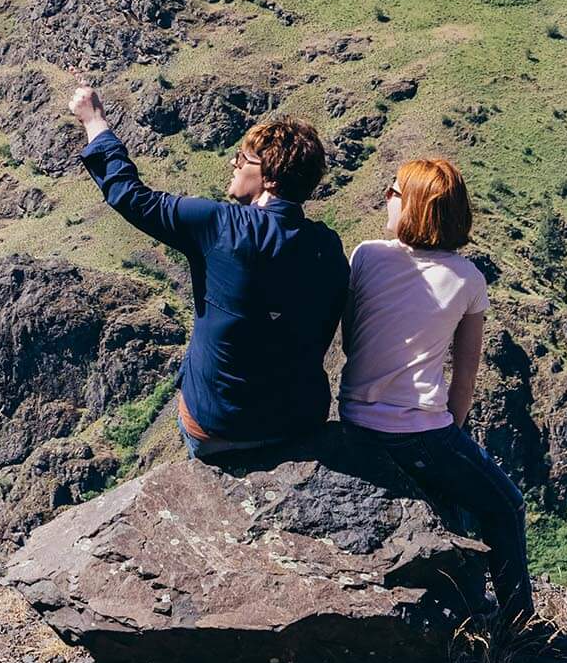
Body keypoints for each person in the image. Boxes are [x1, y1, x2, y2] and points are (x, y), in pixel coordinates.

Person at [68, 82, 348, 461]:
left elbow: (129, 195)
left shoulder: (222, 225)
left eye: (244, 159)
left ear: (270, 178)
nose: (234, 163)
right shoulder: (328, 247)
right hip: (299, 423)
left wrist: (95, 121)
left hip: (218, 427)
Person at [335, 156, 533, 627]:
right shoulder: (467, 279)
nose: (387, 197)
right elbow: (464, 380)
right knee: (505, 506)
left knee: (447, 506)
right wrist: (450, 436)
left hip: (355, 423)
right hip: (419, 429)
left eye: (395, 192)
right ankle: (519, 627)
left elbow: (350, 339)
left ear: (414, 208)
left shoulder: (365, 255)